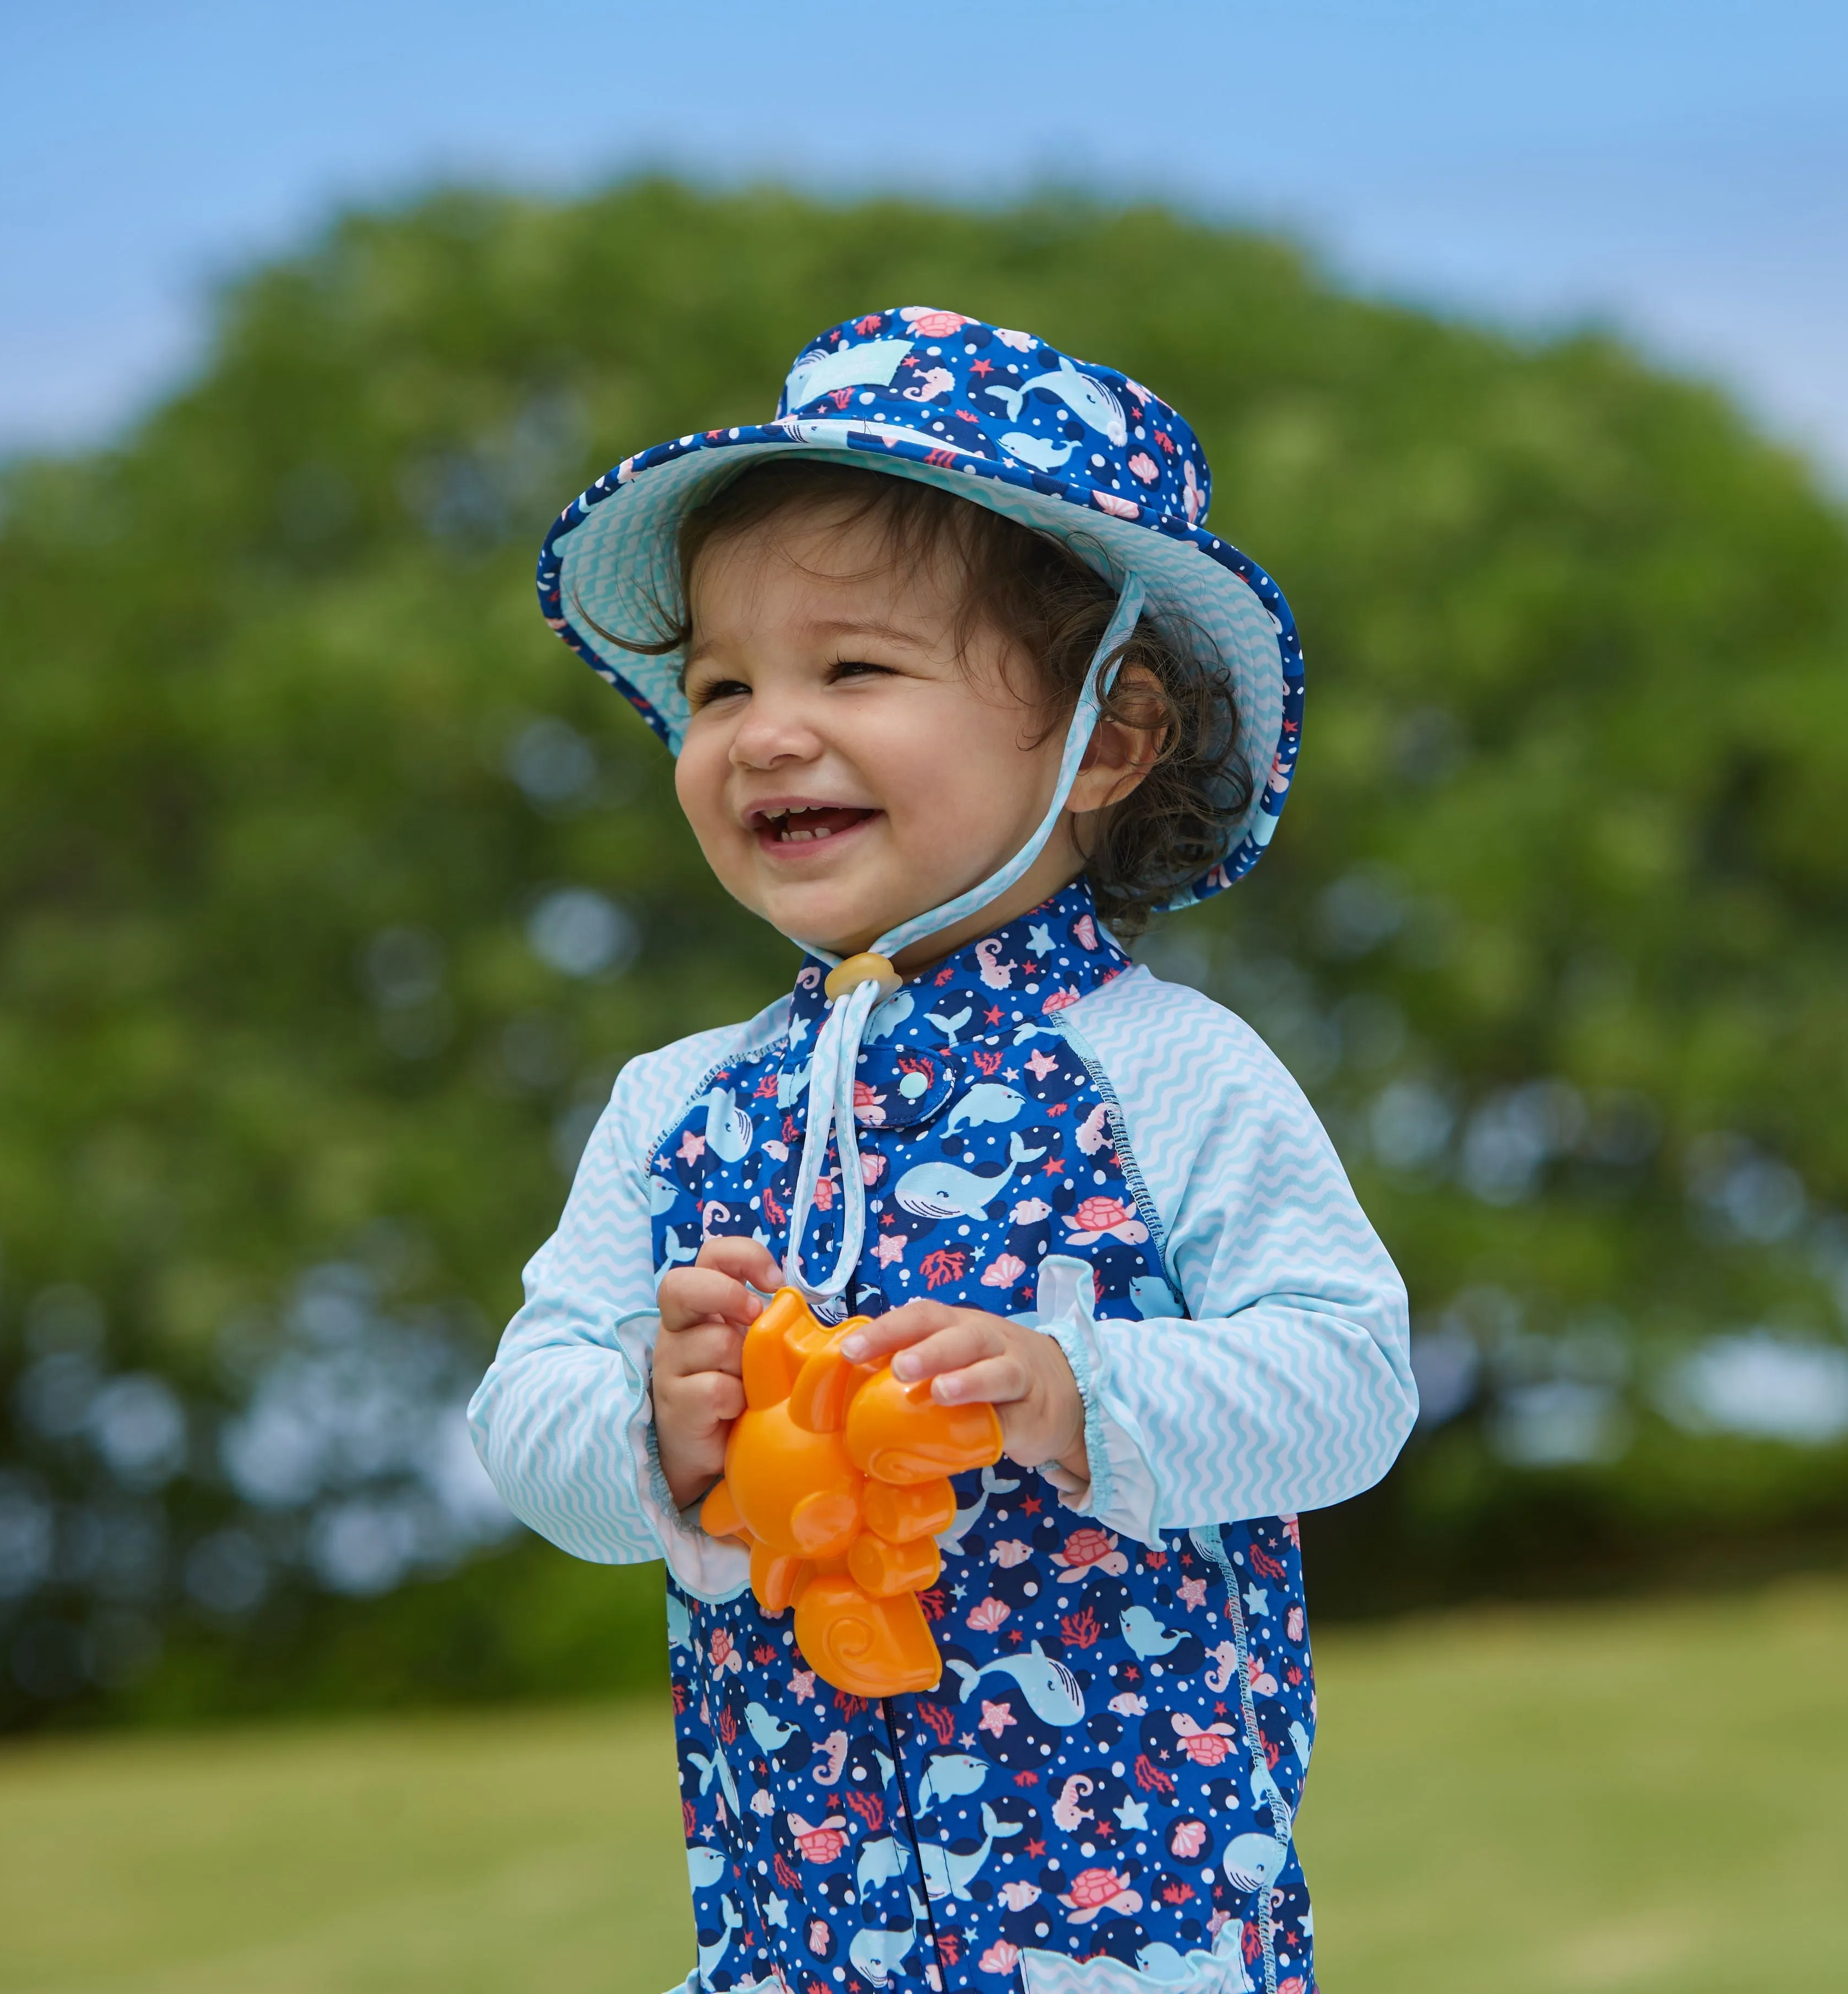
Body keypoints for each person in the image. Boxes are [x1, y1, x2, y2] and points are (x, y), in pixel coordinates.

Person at [469, 305, 1416, 1994]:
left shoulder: (1166, 1070)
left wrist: (1072, 1391)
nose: (765, 730)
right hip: (795, 1934)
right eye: (719, 686)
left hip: (1132, 1932)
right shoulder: (677, 1106)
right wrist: (654, 1432)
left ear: (1106, 739)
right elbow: (522, 1411)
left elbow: (1349, 1380)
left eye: (854, 668)